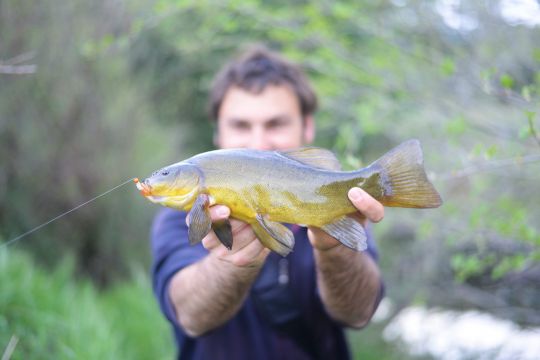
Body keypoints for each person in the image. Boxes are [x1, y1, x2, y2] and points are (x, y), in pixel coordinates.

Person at [151, 46, 385, 360]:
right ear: (218, 134)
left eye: (275, 124)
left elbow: (358, 313)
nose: (258, 143)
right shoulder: (181, 215)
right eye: (240, 126)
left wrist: (336, 247)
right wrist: (229, 264)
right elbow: (190, 317)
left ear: (308, 128)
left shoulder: (340, 202)